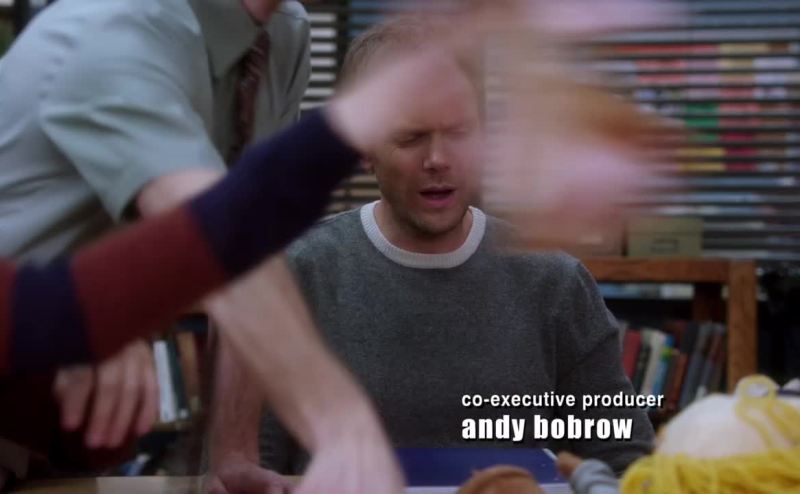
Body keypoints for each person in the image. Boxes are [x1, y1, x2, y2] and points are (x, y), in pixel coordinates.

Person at [207, 17, 655, 482]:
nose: (438, 160)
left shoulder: (555, 283)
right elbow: (249, 472)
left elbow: (627, 464)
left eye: (458, 133)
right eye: (411, 137)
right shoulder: (298, 275)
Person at [0, 0, 405, 491]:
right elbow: (216, 238)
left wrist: (232, 453)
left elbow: (247, 244)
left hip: (55, 426)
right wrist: (341, 425)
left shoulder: (283, 34)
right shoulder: (115, 25)